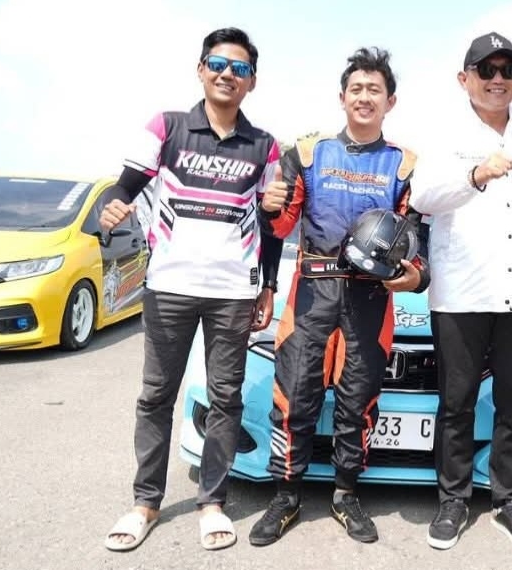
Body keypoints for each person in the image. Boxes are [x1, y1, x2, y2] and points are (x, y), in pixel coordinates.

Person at [101, 27, 283, 552]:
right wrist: (113, 206)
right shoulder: (167, 127)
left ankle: (212, 503)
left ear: (252, 81)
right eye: (218, 65)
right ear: (201, 70)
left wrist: (268, 285)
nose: (228, 75)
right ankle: (145, 503)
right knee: (157, 395)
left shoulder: (265, 146)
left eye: (240, 68)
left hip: (233, 291)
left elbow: (271, 224)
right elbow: (125, 185)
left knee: (225, 398)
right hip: (169, 286)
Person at [248, 46, 431, 546]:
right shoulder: (309, 153)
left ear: (390, 101)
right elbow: (280, 225)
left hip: (370, 300)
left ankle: (346, 494)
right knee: (294, 396)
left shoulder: (405, 165)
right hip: (312, 292)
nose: (365, 97)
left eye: (375, 90)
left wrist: (415, 276)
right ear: (342, 97)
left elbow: (417, 241)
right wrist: (271, 206)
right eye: (357, 89)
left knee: (358, 401)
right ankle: (286, 496)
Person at [408, 32, 512, 553]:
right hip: (461, 293)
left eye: (507, 70)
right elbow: (423, 196)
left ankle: (509, 501)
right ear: (465, 79)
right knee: (455, 404)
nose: (497, 79)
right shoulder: (443, 135)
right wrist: (475, 174)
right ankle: (452, 500)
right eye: (486, 70)